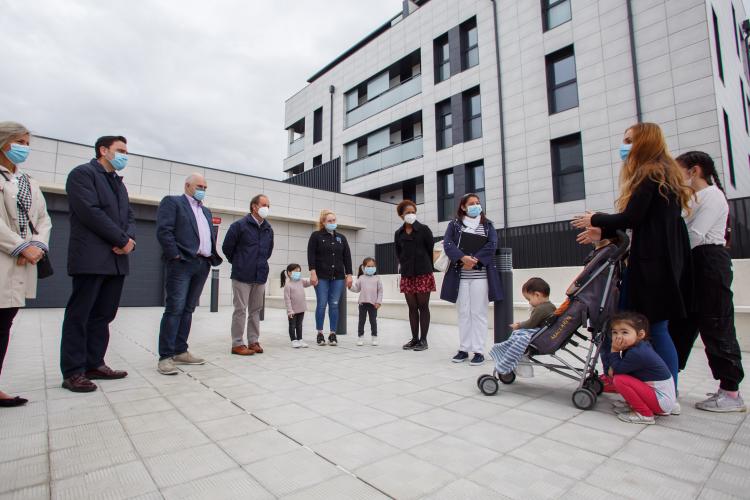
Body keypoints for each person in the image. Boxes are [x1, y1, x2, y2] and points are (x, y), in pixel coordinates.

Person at [572, 122, 693, 390]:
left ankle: (665, 391)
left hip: (653, 267)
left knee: (653, 328)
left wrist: (595, 218)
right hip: (657, 264)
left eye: (630, 140)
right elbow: (640, 222)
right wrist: (601, 230)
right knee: (642, 326)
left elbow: (632, 217)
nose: (624, 146)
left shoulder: (651, 174)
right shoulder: (662, 176)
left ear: (646, 142)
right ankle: (635, 380)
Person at [60, 135, 134, 392]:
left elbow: (129, 215)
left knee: (103, 315)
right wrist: (120, 238)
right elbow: (91, 213)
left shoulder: (118, 184)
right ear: (103, 150)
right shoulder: (82, 175)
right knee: (80, 315)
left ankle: (94, 363)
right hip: (91, 258)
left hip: (116, 260)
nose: (125, 155)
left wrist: (129, 239)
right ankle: (73, 371)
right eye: (120, 150)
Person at [673, 151, 745, 412]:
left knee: (716, 324)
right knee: (682, 323)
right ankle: (669, 380)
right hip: (693, 265)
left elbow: (695, 234)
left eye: (678, 170)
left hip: (709, 263)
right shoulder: (692, 197)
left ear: (694, 171)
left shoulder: (712, 196)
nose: (676, 176)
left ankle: (731, 391)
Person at [0, 122, 52, 406]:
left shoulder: (27, 181)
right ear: (4, 142)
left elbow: (43, 219)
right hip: (7, 254)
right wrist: (20, 246)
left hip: (23, 259)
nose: (25, 148)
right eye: (20, 142)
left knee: (4, 322)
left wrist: (37, 246)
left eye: (28, 143)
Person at [155, 173, 223, 375]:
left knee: (188, 308)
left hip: (202, 264)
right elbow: (164, 231)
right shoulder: (173, 203)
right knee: (175, 308)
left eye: (205, 187)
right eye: (199, 186)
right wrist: (175, 255)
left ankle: (180, 350)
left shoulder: (206, 212)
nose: (202, 189)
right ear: (187, 186)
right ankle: (165, 356)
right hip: (182, 263)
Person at [440, 193, 503, 365]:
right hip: (460, 276)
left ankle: (478, 350)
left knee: (478, 313)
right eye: (471, 203)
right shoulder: (454, 225)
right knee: (463, 313)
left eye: (478, 202)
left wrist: (474, 261)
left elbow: (492, 245)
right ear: (463, 207)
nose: (476, 205)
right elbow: (448, 244)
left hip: (480, 276)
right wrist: (462, 258)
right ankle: (463, 349)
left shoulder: (488, 225)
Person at [222, 194, 274, 356]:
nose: (267, 208)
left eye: (268, 205)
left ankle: (253, 341)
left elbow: (268, 251)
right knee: (240, 309)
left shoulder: (268, 229)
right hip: (242, 274)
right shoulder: (239, 226)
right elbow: (227, 248)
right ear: (254, 206)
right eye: (264, 204)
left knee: (255, 310)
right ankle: (237, 343)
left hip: (260, 275)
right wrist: (239, 262)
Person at [607, 312, 678, 425]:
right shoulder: (640, 346)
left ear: (640, 335)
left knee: (619, 379)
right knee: (624, 376)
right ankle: (633, 405)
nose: (618, 336)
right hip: (662, 400)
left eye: (625, 332)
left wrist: (614, 350)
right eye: (615, 332)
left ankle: (645, 414)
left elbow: (617, 370)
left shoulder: (637, 353)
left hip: (661, 401)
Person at [490, 278, 557, 377]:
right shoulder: (550, 306)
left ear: (537, 295)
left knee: (516, 336)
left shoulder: (541, 309)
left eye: (529, 299)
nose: (529, 302)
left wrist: (518, 325)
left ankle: (504, 357)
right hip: (546, 334)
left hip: (540, 337)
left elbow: (531, 324)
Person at [307, 209, 353, 346]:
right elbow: (311, 255)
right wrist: (312, 272)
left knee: (334, 305)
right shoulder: (316, 236)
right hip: (321, 276)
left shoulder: (341, 238)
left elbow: (347, 257)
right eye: (329, 221)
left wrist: (349, 274)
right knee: (321, 304)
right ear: (323, 222)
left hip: (338, 277)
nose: (332, 223)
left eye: (334, 220)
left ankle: (333, 334)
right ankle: (320, 333)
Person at [394, 200, 435, 351]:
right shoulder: (398, 233)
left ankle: (423, 340)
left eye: (413, 212)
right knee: (412, 307)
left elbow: (431, 250)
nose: (411, 215)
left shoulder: (424, 230)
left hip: (423, 273)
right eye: (407, 213)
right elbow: (398, 253)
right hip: (407, 274)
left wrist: (427, 268)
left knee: (423, 306)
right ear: (401, 215)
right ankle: (414, 339)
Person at [349, 257, 383, 346]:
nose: (371, 268)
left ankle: (374, 337)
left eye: (373, 266)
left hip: (373, 304)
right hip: (362, 304)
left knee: (373, 321)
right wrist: (349, 286)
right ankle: (360, 337)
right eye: (368, 266)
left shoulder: (377, 278)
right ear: (364, 267)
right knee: (361, 321)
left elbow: (380, 291)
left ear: (375, 267)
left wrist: (378, 302)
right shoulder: (361, 278)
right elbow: (356, 289)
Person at [282, 263, 312, 348]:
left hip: (301, 308)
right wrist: (289, 311)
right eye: (295, 271)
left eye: (299, 271)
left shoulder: (300, 281)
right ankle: (294, 340)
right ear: (289, 272)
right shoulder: (288, 285)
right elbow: (287, 299)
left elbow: (308, 283)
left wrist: (313, 280)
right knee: (292, 325)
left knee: (299, 325)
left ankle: (300, 339)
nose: (298, 273)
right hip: (293, 310)